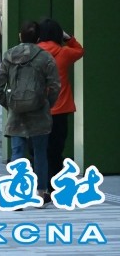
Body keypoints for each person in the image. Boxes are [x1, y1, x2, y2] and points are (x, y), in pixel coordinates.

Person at [0, 20, 60, 206]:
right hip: (39, 112)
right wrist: (46, 104)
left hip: (17, 113)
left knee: (17, 152)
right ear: (38, 38)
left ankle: (17, 193)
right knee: (40, 153)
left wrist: (10, 104)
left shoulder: (9, 56)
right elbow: (55, 86)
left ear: (20, 36)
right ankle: (41, 193)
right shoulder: (45, 57)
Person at [37, 17, 85, 190]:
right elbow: (80, 50)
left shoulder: (34, 53)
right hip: (60, 109)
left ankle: (41, 184)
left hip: (38, 110)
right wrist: (68, 38)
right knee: (56, 150)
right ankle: (55, 185)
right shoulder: (64, 53)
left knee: (39, 149)